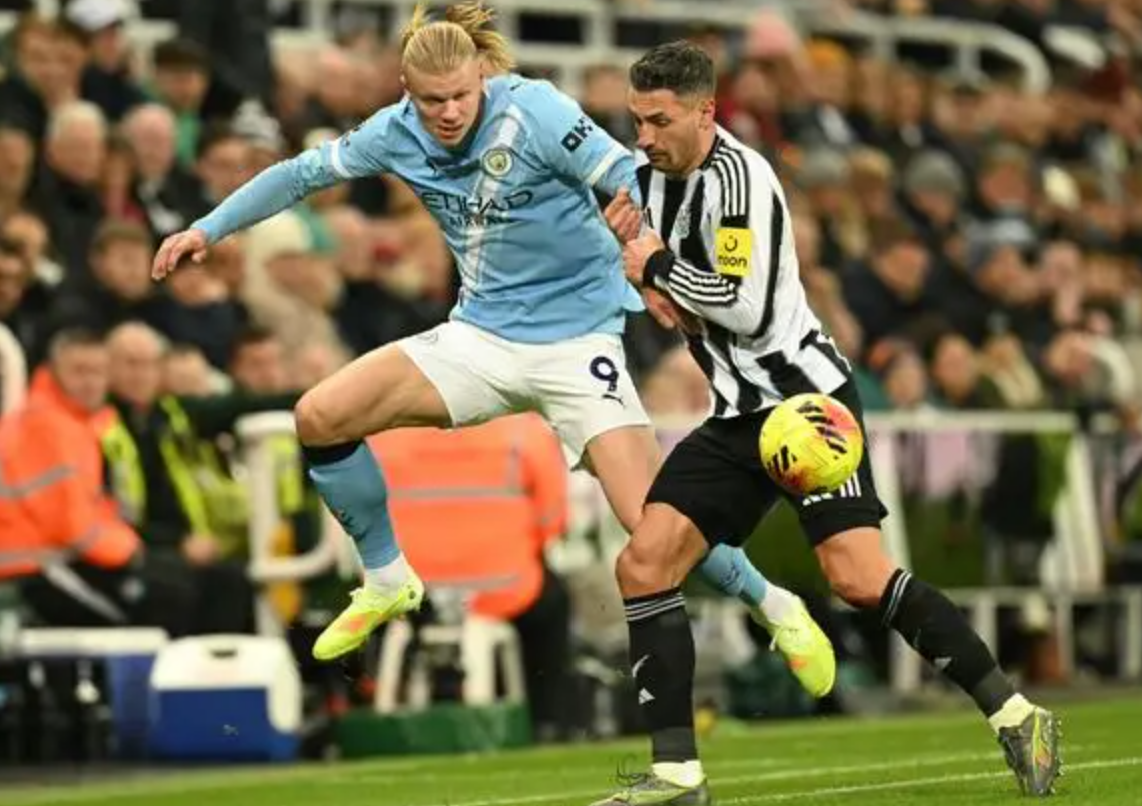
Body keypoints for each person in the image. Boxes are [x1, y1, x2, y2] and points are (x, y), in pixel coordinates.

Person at [149, 2, 832, 694]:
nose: (448, 113)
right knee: (319, 417)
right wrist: (207, 229)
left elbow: (628, 179)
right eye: (431, 101)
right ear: (407, 92)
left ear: (482, 74)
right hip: (479, 336)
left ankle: (775, 605)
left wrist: (653, 266)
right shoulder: (393, 131)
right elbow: (299, 174)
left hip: (577, 341)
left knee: (652, 523)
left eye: (460, 96)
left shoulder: (536, 111)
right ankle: (386, 578)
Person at [590, 41, 1060, 805]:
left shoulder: (740, 181)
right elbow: (675, 294)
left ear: (706, 112)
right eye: (636, 120)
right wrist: (644, 276)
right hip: (736, 413)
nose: (643, 137)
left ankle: (1017, 715)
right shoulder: (646, 185)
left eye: (659, 121)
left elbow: (743, 305)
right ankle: (677, 776)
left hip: (807, 406)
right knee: (644, 564)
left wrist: (653, 265)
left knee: (858, 579)